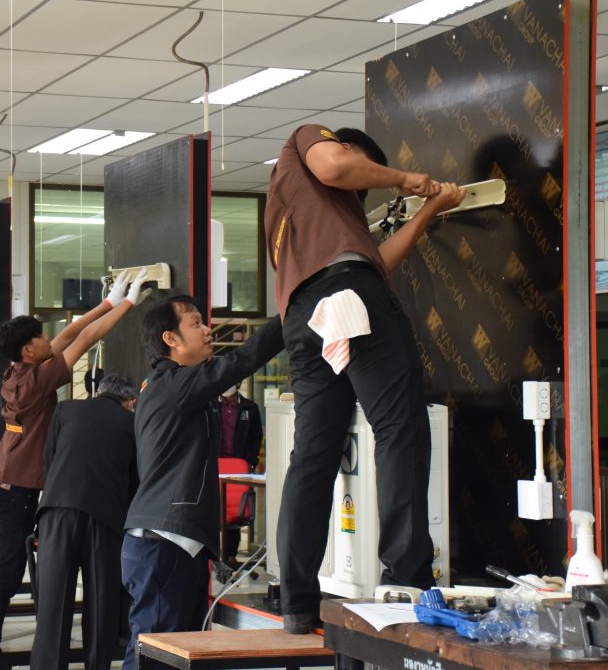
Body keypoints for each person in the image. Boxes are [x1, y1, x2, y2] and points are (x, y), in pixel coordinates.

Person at [265, 124, 465, 633]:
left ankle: (296, 602)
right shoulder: (305, 142)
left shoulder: (298, 218)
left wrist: (427, 213)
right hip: (350, 294)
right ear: (346, 147)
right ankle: (405, 578)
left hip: (304, 319)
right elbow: (335, 166)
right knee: (400, 430)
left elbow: (378, 263)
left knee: (313, 455)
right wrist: (404, 179)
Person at [0, 270, 149, 670]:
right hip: (16, 493)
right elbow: (83, 340)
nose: (46, 339)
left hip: (2, 488)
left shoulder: (17, 373)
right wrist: (130, 304)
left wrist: (109, 301)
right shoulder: (36, 383)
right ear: (27, 351)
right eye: (38, 337)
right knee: (4, 577)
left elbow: (67, 335)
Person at [120, 296, 283, 670]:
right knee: (156, 655)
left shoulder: (172, 386)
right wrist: (291, 311)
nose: (208, 330)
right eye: (195, 323)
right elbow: (241, 361)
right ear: (171, 339)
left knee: (179, 654)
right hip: (164, 543)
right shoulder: (173, 383)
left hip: (175, 543)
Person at [29, 374, 139, 670]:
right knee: (101, 605)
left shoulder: (66, 409)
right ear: (130, 402)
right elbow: (135, 480)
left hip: (57, 512)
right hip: (105, 519)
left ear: (98, 392)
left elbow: (49, 460)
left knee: (53, 606)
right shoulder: (131, 423)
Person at [208, 383, 263, 566]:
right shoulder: (211, 405)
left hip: (239, 466)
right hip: (216, 465)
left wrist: (250, 462)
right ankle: (212, 554)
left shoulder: (250, 407)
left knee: (235, 507)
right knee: (214, 508)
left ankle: (230, 554)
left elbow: (256, 436)